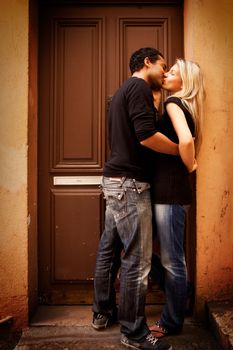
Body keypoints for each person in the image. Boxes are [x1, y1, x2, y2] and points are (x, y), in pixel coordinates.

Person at [92, 47, 177, 350]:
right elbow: (145, 136)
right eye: (163, 66)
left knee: (109, 249)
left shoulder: (121, 92)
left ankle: (102, 312)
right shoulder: (139, 86)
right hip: (130, 186)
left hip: (114, 181)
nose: (165, 73)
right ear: (147, 63)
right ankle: (134, 332)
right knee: (137, 262)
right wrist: (181, 150)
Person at [149, 59, 205, 338]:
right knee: (152, 254)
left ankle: (171, 322)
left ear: (185, 81)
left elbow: (185, 140)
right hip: (169, 193)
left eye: (173, 72)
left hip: (170, 194)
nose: (167, 73)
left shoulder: (174, 104)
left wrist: (191, 164)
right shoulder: (181, 106)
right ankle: (182, 291)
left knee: (172, 260)